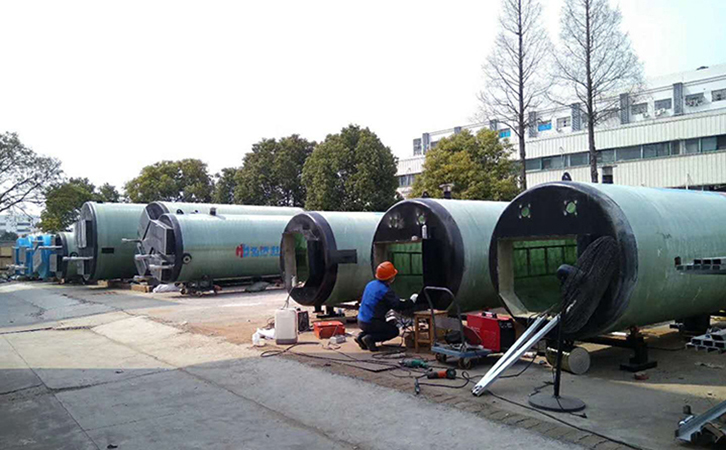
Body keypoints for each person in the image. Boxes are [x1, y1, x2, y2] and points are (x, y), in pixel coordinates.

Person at [355, 261, 414, 352]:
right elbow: (397, 305)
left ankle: (360, 337)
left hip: (361, 320)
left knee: (383, 325)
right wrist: (411, 301)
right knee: (393, 331)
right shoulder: (385, 291)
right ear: (391, 277)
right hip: (372, 323)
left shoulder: (370, 284)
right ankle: (370, 339)